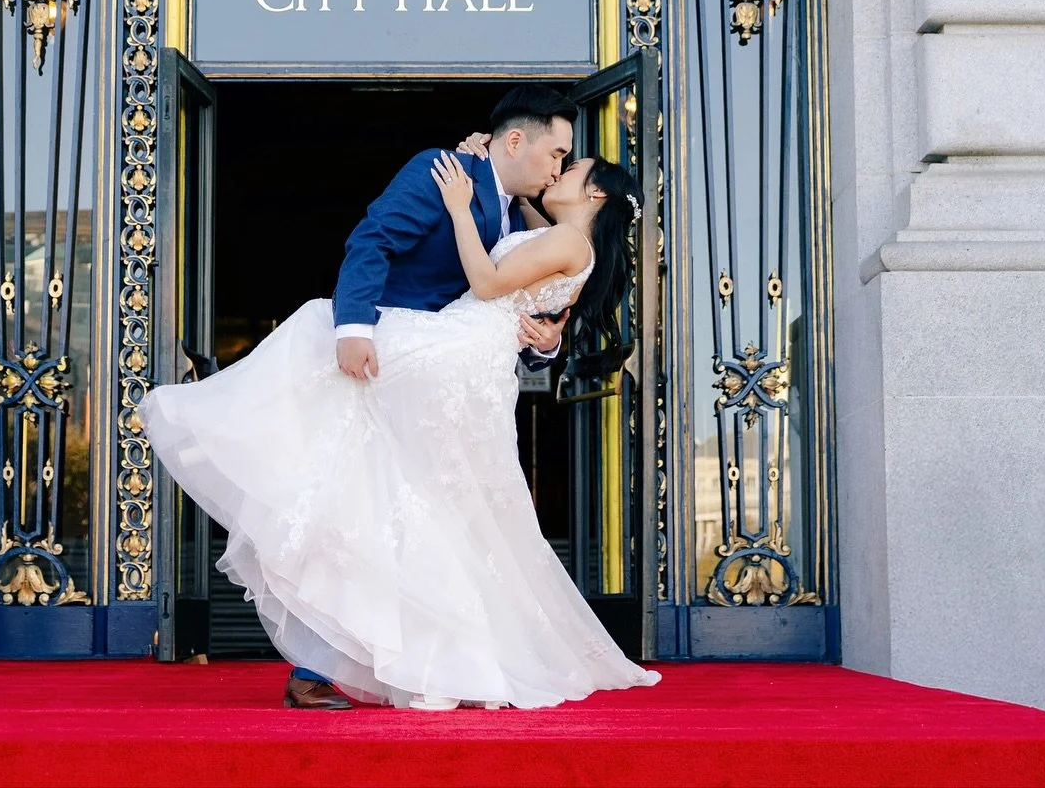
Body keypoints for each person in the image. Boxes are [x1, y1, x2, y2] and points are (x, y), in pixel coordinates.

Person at [140, 86, 659, 710]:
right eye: (558, 154)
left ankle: (418, 659)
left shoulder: (515, 213)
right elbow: (373, 239)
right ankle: (352, 658)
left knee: (388, 498)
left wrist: (545, 342)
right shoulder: (452, 175)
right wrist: (354, 327)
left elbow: (510, 291)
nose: (558, 167)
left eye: (566, 163)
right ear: (516, 141)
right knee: (368, 490)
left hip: (449, 366)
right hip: (427, 359)